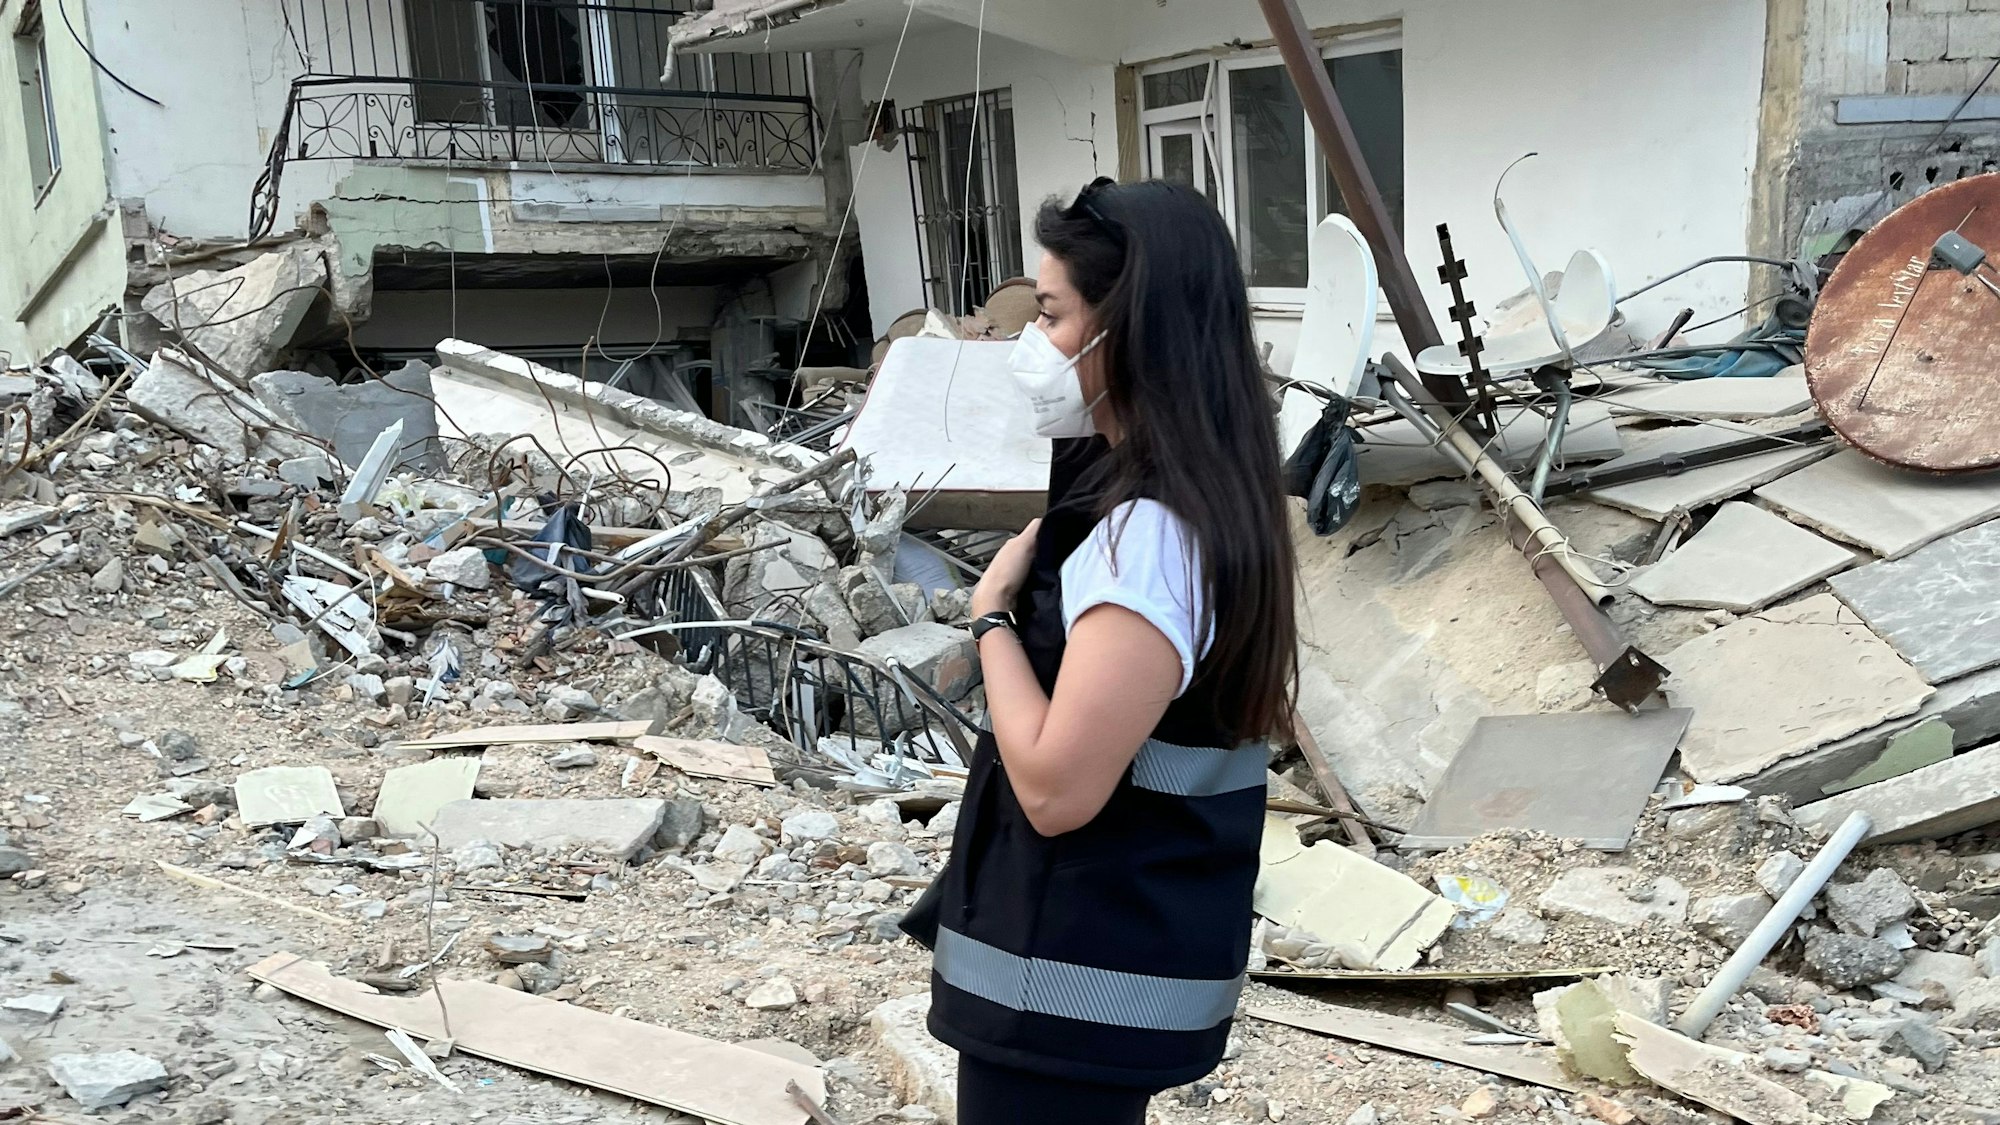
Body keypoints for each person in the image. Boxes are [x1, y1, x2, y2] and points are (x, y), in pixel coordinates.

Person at [900, 178, 1301, 1124]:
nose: (1030, 346)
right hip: (1108, 971)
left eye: (1051, 314)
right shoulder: (1208, 496)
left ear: (1130, 328)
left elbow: (1054, 788)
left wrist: (990, 616)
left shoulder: (1150, 536)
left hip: (1068, 988)